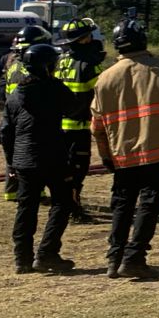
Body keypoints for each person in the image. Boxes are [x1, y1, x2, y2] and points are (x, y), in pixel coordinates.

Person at [91, 19, 159, 281]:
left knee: (122, 205)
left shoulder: (105, 77)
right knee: (150, 203)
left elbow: (97, 124)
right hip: (156, 150)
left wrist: (105, 154)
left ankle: (114, 259)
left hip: (122, 153)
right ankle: (134, 258)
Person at [0, 42, 75, 273]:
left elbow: (5, 132)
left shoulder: (14, 96)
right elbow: (73, 108)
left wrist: (11, 162)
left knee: (26, 207)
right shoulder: (55, 89)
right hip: (53, 156)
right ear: (46, 66)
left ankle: (22, 259)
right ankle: (47, 253)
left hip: (23, 160)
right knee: (63, 202)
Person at [0, 25, 53, 200]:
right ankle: (33, 191)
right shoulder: (31, 67)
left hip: (12, 116)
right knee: (31, 155)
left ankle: (11, 191)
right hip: (27, 118)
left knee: (13, 154)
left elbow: (5, 91)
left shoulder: (13, 64)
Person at [54, 19, 106, 221]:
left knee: (63, 168)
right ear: (83, 40)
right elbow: (102, 94)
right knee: (77, 170)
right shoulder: (88, 65)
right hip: (79, 127)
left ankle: (63, 204)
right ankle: (72, 209)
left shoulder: (59, 61)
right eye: (89, 36)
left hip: (58, 127)